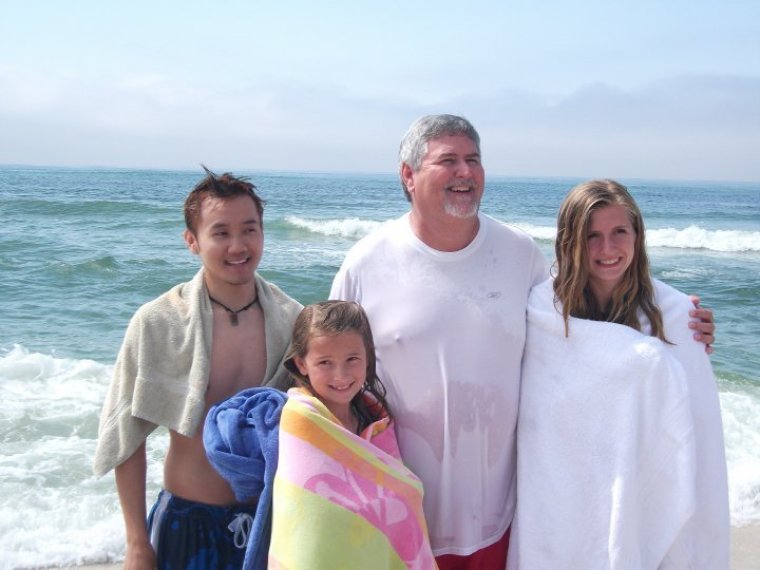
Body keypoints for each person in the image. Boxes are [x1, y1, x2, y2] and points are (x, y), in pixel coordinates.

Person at [330, 114, 717, 568]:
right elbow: (331, 369)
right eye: (448, 160)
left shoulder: (519, 253)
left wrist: (670, 318)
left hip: (503, 519)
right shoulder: (366, 263)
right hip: (401, 512)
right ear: (408, 176)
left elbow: (582, 325)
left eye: (473, 160)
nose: (465, 172)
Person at [507, 180, 729, 568]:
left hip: (637, 501)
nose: (607, 249)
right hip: (556, 504)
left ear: (637, 235)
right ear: (570, 241)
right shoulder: (541, 310)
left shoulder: (678, 317)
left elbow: (698, 437)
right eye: (591, 236)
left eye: (619, 232)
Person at [93, 168, 302, 570]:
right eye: (220, 232)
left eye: (250, 230)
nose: (238, 245)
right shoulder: (159, 321)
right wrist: (137, 542)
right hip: (187, 521)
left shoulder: (292, 320)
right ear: (192, 241)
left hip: (269, 523)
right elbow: (126, 433)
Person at [268, 301, 437, 568]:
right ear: (301, 363)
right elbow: (313, 520)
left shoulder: (377, 420)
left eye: (352, 359)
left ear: (368, 356)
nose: (341, 375)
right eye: (325, 362)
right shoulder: (301, 421)